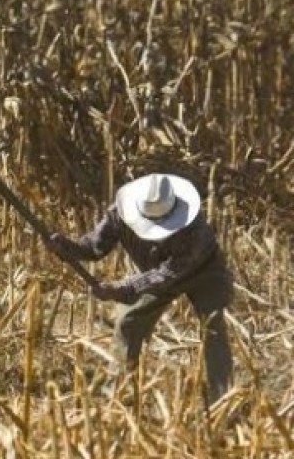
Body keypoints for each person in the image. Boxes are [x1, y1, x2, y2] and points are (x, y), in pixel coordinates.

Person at [47, 173, 234, 404]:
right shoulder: (119, 214)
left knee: (212, 327)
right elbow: (95, 247)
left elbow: (168, 273)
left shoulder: (194, 225)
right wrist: (67, 248)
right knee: (129, 322)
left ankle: (222, 397)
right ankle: (119, 393)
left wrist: (122, 289)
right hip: (157, 274)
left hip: (204, 272)